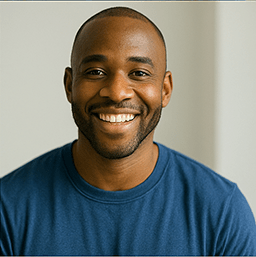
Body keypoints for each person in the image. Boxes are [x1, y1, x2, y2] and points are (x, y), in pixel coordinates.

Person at [1, 6, 256, 256]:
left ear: (165, 90)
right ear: (70, 86)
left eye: (139, 73)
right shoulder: (8, 208)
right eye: (95, 72)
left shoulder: (221, 210)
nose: (116, 92)